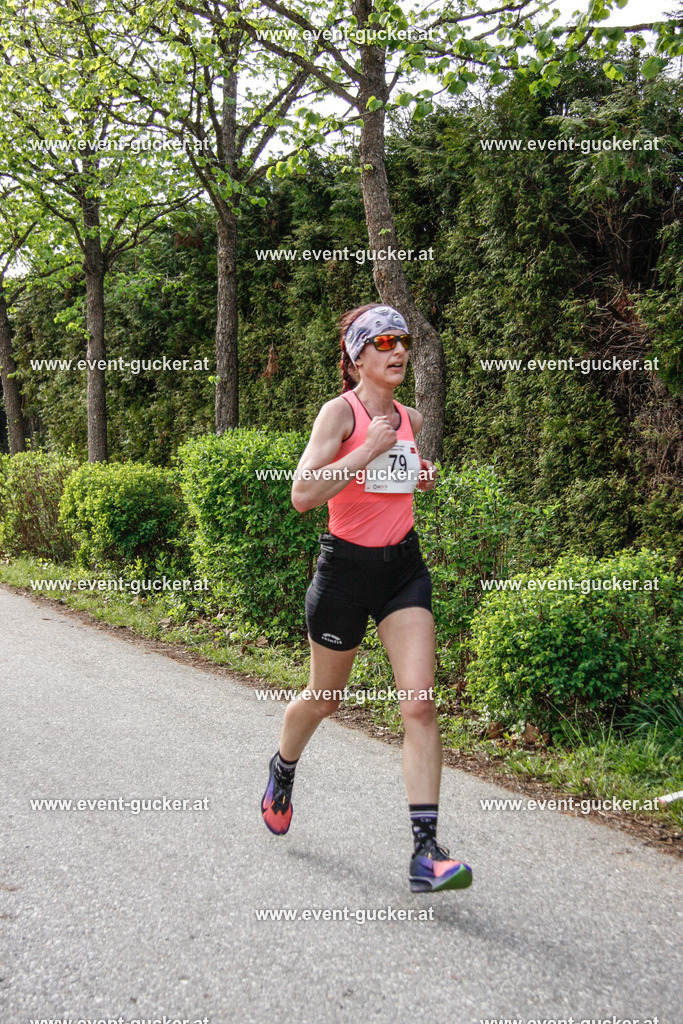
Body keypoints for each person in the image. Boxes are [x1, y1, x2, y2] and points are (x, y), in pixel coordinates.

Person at [261, 302, 472, 893]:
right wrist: (365, 451)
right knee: (324, 700)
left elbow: (394, 483)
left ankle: (425, 852)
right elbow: (303, 492)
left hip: (403, 570)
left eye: (402, 341)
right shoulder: (340, 413)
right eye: (383, 343)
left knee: (420, 706)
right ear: (358, 357)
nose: (398, 351)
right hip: (345, 574)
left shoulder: (413, 417)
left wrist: (418, 473)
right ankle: (283, 767)